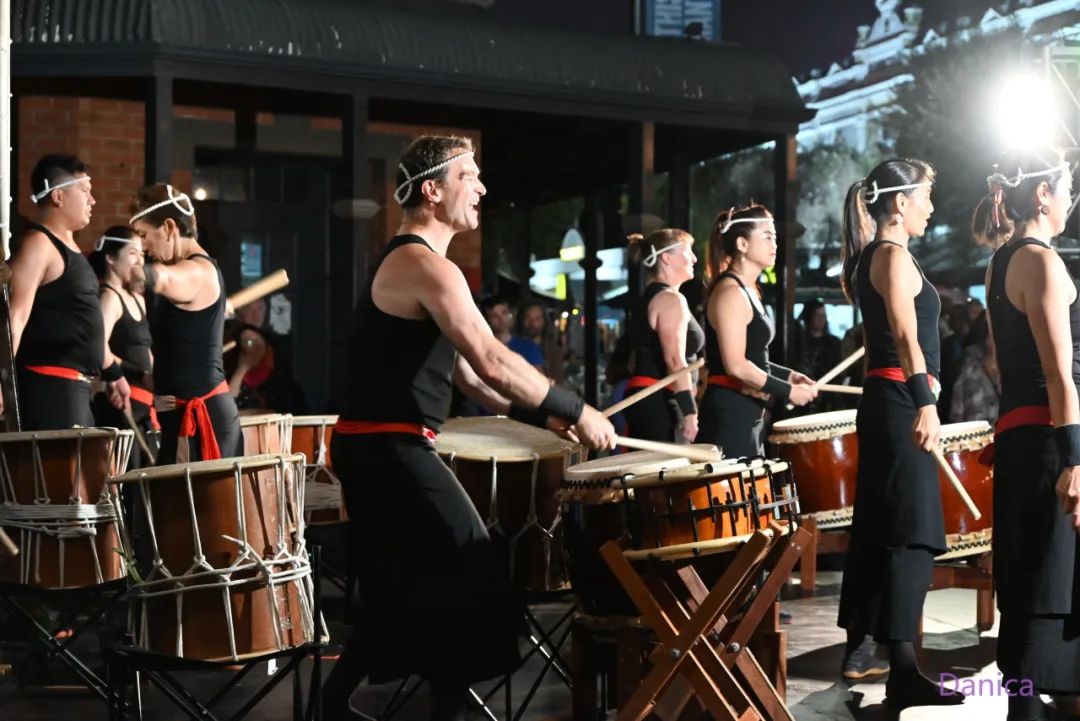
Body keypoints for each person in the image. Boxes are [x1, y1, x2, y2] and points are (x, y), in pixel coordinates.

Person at [321, 135, 616, 721]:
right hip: (386, 447)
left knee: (397, 586)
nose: (482, 187)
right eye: (469, 176)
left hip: (376, 447)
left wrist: (549, 417)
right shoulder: (422, 264)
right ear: (432, 190)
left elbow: (473, 383)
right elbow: (491, 358)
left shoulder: (422, 266)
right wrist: (579, 408)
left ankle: (332, 705)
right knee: (470, 564)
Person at [833, 158, 964, 708]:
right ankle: (902, 668)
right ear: (901, 201)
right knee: (911, 533)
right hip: (898, 402)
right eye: (927, 196)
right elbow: (908, 340)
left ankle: (888, 655)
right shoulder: (888, 257)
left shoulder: (884, 256)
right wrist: (926, 403)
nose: (932, 207)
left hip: (892, 402)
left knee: (898, 530)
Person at [979, 147, 1080, 721]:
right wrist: (1076, 459)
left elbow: (1002, 365)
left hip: (1025, 438)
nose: (1070, 199)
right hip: (1050, 440)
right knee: (1049, 578)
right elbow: (1057, 374)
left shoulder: (1000, 261)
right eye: (1066, 187)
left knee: (1031, 574)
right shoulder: (1039, 261)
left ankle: (1030, 703)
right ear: (1042, 193)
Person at [7, 154, 129, 429]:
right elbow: (15, 316)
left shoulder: (70, 250)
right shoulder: (39, 244)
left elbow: (85, 325)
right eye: (85, 191)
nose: (93, 200)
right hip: (50, 391)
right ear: (58, 196)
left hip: (75, 390)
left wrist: (113, 374)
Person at [129, 184, 241, 464]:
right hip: (179, 416)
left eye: (144, 235)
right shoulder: (187, 268)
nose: (142, 246)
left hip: (204, 420)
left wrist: (136, 274)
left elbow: (165, 279)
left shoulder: (198, 272)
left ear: (169, 227)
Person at [698, 204, 816, 457]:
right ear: (742, 243)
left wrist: (787, 376)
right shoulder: (730, 292)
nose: (775, 244)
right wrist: (787, 392)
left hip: (748, 409)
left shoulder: (748, 290)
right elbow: (737, 365)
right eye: (767, 237)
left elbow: (754, 358)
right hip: (729, 411)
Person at [621, 228, 704, 443]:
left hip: (649, 398)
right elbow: (674, 359)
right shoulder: (670, 299)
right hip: (659, 400)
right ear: (666, 258)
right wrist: (690, 411)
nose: (694, 258)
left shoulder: (649, 298)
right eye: (687, 251)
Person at [89, 226, 155, 468]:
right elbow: (98, 347)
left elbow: (146, 349)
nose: (140, 262)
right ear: (111, 258)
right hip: (122, 403)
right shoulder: (109, 297)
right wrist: (137, 374)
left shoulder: (138, 298)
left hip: (144, 406)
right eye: (133, 254)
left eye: (143, 255)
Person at [227, 323, 307, 414]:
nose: (254, 348)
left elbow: (283, 414)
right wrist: (242, 368)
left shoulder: (283, 385)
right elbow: (226, 411)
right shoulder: (230, 379)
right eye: (248, 343)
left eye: (257, 342)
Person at [791, 297, 843, 413]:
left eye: (823, 315)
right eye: (817, 315)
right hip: (804, 395)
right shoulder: (799, 343)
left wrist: (826, 391)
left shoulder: (834, 343)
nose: (821, 319)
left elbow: (838, 373)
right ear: (809, 316)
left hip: (828, 399)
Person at [947, 316, 999, 424]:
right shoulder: (970, 366)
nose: (992, 341)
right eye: (990, 336)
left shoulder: (1012, 370)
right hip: (975, 433)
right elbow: (957, 407)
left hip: (1003, 431)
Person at [517, 301, 565, 383]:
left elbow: (558, 380)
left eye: (537, 319)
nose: (532, 323)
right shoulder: (513, 345)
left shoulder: (552, 349)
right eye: (528, 318)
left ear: (544, 321)